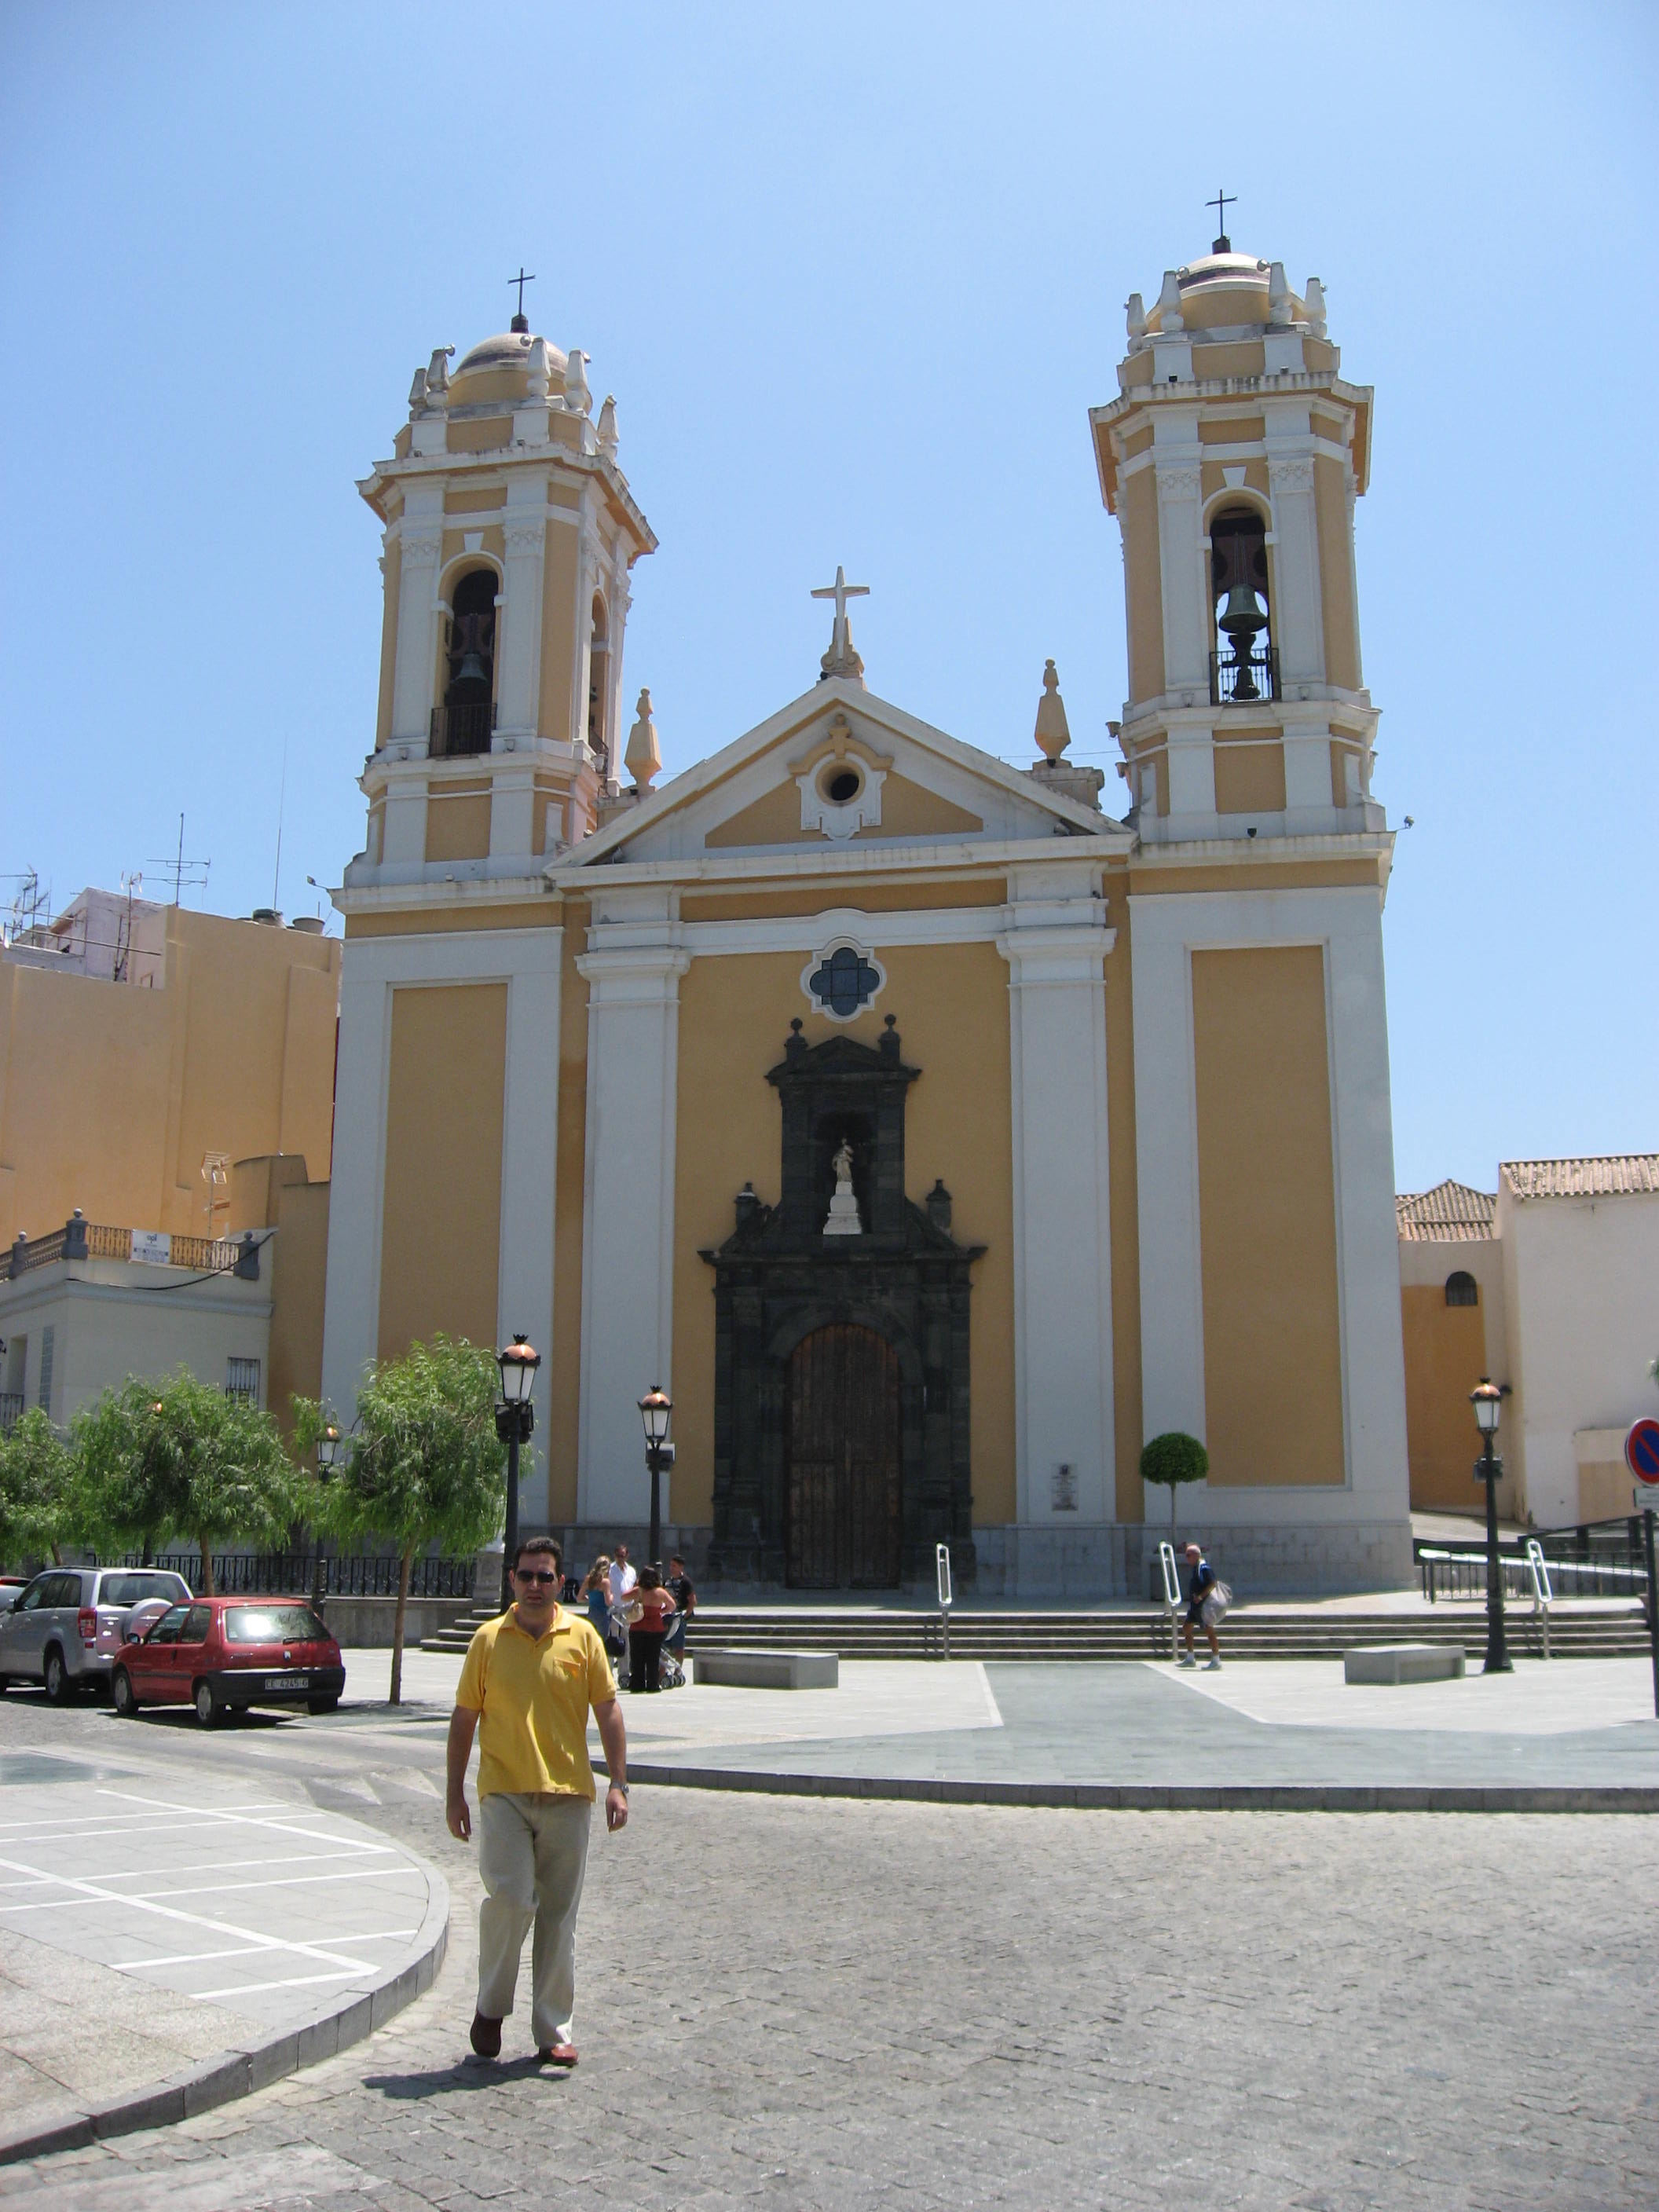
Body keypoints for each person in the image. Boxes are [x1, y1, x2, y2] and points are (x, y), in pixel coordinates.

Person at [446, 1535, 629, 2069]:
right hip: (503, 1792)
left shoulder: (583, 1637)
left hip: (569, 1793)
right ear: (511, 1580)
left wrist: (619, 1782)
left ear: (560, 1583)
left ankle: (553, 2030)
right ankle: (490, 2006)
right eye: (525, 1575)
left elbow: (609, 1710)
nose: (533, 1585)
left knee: (558, 1917)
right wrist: (455, 1791)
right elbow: (463, 1719)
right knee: (510, 1897)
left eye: (544, 1576)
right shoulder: (486, 1640)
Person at [625, 1566, 676, 1694]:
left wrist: (636, 1589)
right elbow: (672, 1606)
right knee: (653, 1658)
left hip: (637, 1627)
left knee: (637, 1657)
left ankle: (637, 1684)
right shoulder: (660, 1592)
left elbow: (623, 1597)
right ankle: (653, 1683)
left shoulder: (638, 1591)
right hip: (655, 1627)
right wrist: (661, 1610)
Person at [1178, 1542, 1222, 1670]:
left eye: (1188, 1555)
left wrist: (1200, 1597)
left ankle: (1216, 1660)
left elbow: (1212, 1583)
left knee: (1209, 1630)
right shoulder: (1197, 1567)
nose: (1187, 1558)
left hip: (1204, 1606)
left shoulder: (1204, 1567)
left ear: (1196, 1556)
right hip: (1195, 1606)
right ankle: (1190, 1658)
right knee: (1186, 1628)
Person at [665, 1552, 695, 1662]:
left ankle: (678, 1671)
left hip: (679, 1616)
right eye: (671, 1565)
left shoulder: (686, 1582)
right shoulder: (667, 1581)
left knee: (679, 1645)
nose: (671, 1568)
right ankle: (662, 1672)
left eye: (674, 1566)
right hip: (667, 1616)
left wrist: (686, 1615)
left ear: (681, 1567)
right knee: (664, 1646)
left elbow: (692, 1600)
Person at [607, 1542, 638, 1608]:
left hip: (630, 1608)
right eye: (618, 1556)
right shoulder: (609, 1570)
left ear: (627, 1556)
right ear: (614, 1556)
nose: (620, 1559)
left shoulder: (632, 1571)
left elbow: (635, 1587)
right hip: (615, 1608)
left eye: (622, 1556)